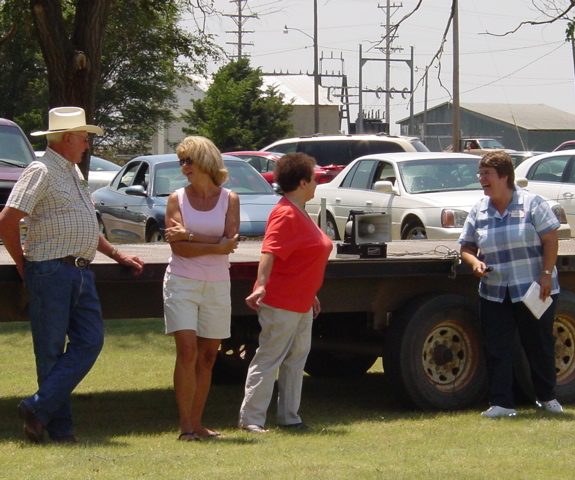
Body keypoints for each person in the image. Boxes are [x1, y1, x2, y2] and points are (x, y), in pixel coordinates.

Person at [0, 106, 144, 443]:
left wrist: (116, 253)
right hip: (49, 268)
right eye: (83, 137)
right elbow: (7, 221)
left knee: (90, 341)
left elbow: (84, 225)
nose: (87, 144)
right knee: (50, 350)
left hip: (79, 270)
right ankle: (59, 430)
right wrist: (23, 264)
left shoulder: (72, 172)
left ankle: (37, 408)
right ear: (67, 138)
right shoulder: (41, 171)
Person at [458, 151, 563, 418]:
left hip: (533, 288)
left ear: (504, 176)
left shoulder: (532, 204)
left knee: (538, 344)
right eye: (480, 173)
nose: (481, 178)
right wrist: (474, 263)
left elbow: (551, 240)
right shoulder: (479, 209)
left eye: (486, 173)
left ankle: (547, 398)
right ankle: (502, 403)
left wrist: (546, 274)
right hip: (494, 291)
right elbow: (466, 247)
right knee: (497, 348)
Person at [239, 152, 333, 433]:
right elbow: (270, 251)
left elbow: (302, 255)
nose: (317, 184)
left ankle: (289, 417)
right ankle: (252, 419)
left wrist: (311, 292)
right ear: (303, 182)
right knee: (270, 357)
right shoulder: (285, 212)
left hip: (302, 300)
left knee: (296, 359)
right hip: (281, 301)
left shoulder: (299, 209)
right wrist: (262, 285)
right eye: (315, 179)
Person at [163, 136, 240, 441]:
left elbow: (230, 244)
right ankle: (185, 427)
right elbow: (179, 248)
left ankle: (197, 423)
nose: (184, 167)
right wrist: (213, 243)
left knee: (208, 356)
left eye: (188, 160)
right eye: (181, 161)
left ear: (205, 161)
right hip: (182, 282)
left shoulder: (229, 198)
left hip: (218, 284)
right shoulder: (176, 199)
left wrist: (192, 235)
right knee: (187, 351)